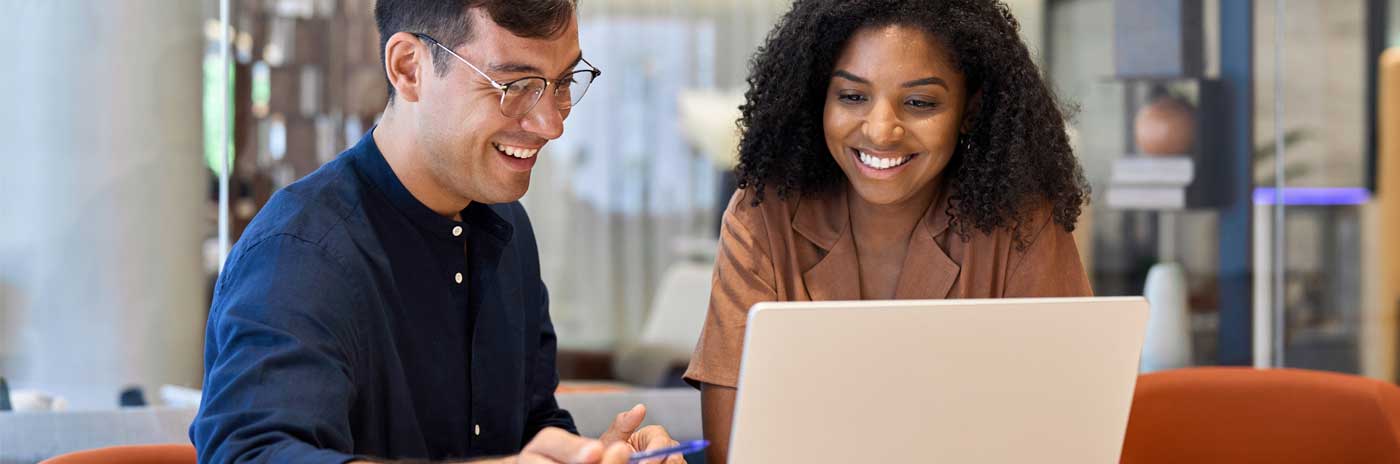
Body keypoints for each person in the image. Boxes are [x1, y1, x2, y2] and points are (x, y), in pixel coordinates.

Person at [190, 1, 682, 463]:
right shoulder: (299, 256)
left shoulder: (506, 225)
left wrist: (590, 453)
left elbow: (528, 431)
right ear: (409, 67)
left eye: (562, 81)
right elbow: (252, 454)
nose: (551, 123)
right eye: (515, 86)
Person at [683, 0, 1094, 461]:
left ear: (970, 110)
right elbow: (733, 451)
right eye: (852, 96)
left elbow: (1063, 438)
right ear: (818, 96)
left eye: (919, 102)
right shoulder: (762, 216)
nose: (881, 131)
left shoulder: (1021, 223)